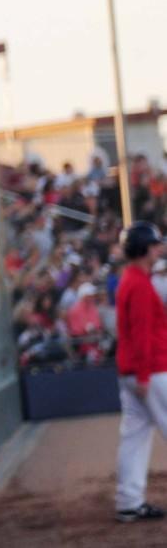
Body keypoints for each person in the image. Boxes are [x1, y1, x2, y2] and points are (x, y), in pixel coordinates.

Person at [114, 221, 167, 524]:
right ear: (144, 248)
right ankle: (129, 501)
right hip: (151, 371)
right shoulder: (139, 284)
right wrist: (145, 376)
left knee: (133, 437)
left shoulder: (132, 278)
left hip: (131, 372)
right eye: (155, 244)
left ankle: (128, 502)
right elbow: (142, 334)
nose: (159, 248)